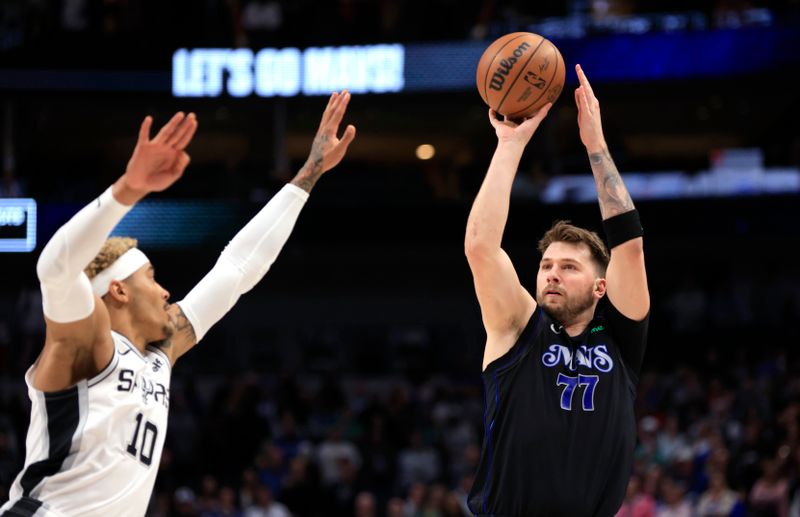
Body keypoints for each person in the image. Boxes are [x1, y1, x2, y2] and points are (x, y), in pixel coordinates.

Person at [0, 90, 356, 517]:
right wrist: (128, 190)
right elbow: (55, 269)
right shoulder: (87, 344)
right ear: (118, 290)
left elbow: (237, 268)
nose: (166, 292)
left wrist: (310, 172)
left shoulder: (160, 352)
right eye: (151, 277)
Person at [464, 64, 650, 516]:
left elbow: (629, 248)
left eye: (569, 267)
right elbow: (481, 248)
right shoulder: (517, 329)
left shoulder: (620, 342)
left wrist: (596, 146)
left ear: (600, 287)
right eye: (546, 265)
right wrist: (510, 145)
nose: (551, 274)